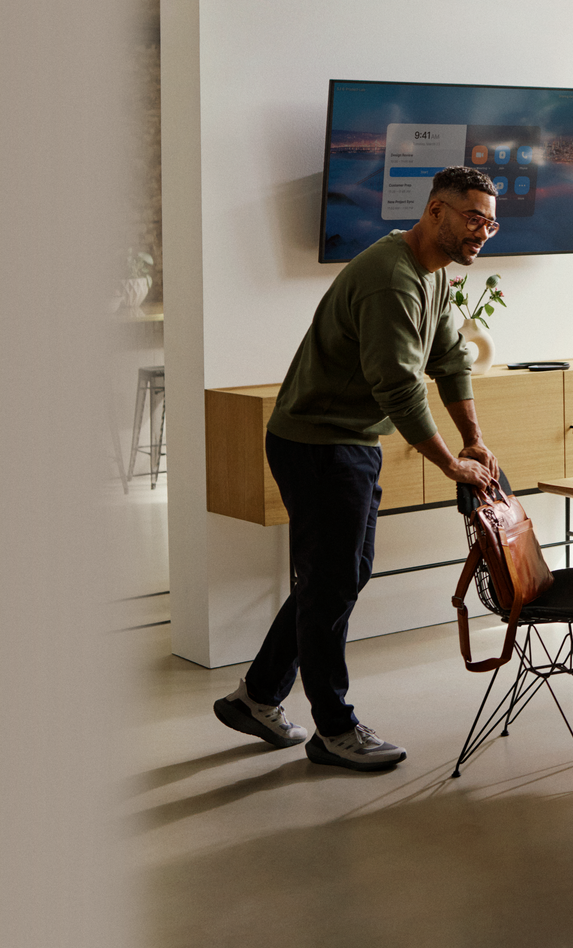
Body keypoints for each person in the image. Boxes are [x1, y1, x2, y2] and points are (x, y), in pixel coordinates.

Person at [212, 166, 501, 771]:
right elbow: (398, 389)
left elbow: (450, 358)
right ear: (435, 211)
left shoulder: (432, 275)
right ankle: (334, 730)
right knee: (333, 582)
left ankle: (258, 697)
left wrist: (474, 438)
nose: (483, 232)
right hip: (318, 444)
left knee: (336, 578)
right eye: (473, 218)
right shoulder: (390, 280)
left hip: (349, 442)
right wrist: (451, 463)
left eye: (490, 222)